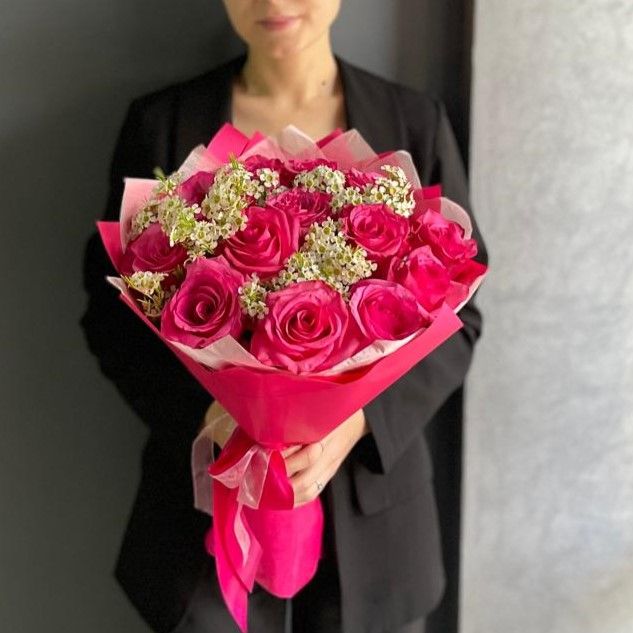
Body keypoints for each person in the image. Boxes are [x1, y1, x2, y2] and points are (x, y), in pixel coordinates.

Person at [80, 1, 488, 632]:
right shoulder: (162, 123)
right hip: (199, 527)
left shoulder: (413, 121)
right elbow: (112, 321)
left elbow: (460, 319)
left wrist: (357, 421)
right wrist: (210, 416)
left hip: (374, 522)